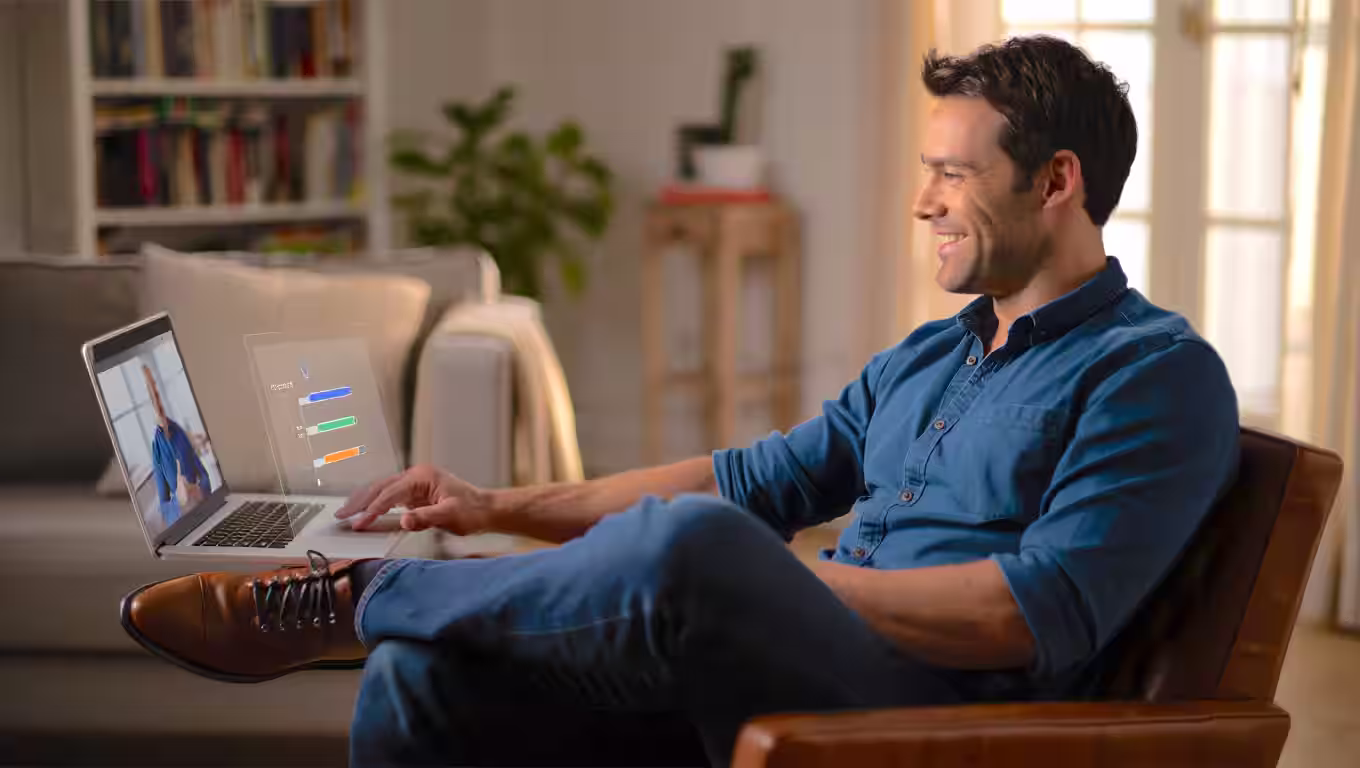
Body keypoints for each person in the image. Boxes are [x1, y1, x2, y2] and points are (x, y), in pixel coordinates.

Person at [118, 36, 1239, 767]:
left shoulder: (1153, 375)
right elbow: (746, 482)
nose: (920, 200)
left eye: (954, 173)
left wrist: (781, 588)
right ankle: (383, 618)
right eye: (925, 170)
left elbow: (1033, 616)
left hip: (942, 715)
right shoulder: (928, 358)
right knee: (422, 682)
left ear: (1054, 183)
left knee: (700, 548)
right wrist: (492, 501)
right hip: (793, 665)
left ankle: (352, 599)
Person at [143, 364, 210, 525]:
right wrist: (179, 501)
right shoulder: (157, 450)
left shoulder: (179, 432)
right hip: (186, 521)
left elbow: (205, 476)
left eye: (156, 391)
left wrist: (199, 490)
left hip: (204, 511)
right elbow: (165, 508)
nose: (157, 400)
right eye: (152, 395)